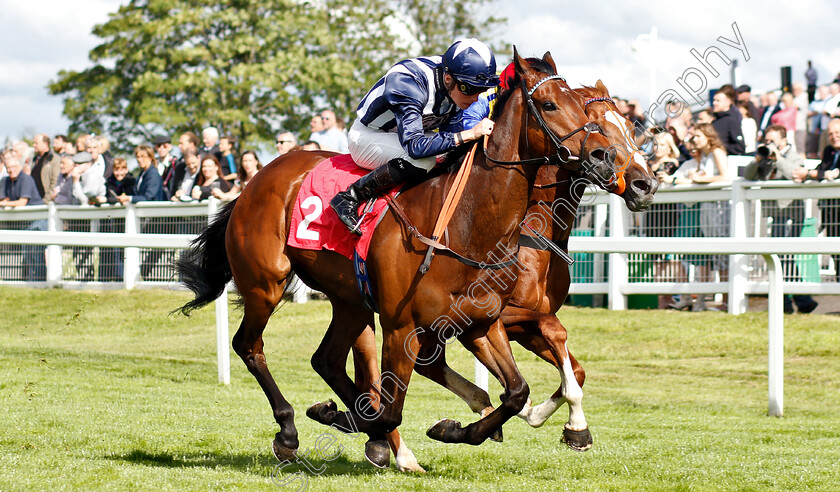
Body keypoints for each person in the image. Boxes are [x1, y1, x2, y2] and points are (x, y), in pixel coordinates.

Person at [330, 38, 499, 233]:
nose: (475, 97)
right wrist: (468, 134)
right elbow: (415, 147)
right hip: (368, 136)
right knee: (424, 161)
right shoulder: (409, 81)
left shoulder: (457, 82)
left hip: (404, 136)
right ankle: (351, 196)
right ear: (448, 79)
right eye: (469, 89)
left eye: (481, 90)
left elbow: (452, 144)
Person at [744, 125, 817, 314]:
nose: (768, 144)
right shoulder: (765, 157)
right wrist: (758, 159)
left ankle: (793, 301)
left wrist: (779, 158)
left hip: (792, 214)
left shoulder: (793, 156)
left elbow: (795, 172)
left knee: (784, 256)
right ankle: (800, 301)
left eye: (772, 141)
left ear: (783, 141)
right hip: (774, 215)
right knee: (781, 256)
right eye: (766, 141)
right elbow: (748, 175)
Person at [669, 124, 730, 311]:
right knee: (712, 254)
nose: (693, 140)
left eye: (697, 136)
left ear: (707, 135)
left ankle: (727, 302)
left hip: (719, 209)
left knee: (722, 256)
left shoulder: (717, 151)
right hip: (707, 210)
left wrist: (699, 179)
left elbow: (725, 177)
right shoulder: (703, 156)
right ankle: (712, 301)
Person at [793, 117, 840, 280]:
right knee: (836, 254)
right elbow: (822, 171)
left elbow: (832, 174)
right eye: (830, 134)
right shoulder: (829, 151)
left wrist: (811, 174)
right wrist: (806, 174)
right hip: (831, 213)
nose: (834, 136)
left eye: (837, 133)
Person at [0, 156, 47, 281]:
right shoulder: (5, 181)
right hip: (24, 223)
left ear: (19, 167)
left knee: (36, 254)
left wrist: (6, 204)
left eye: (13, 167)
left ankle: (40, 281)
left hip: (38, 220)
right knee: (27, 254)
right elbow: (2, 199)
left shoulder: (26, 179)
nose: (11, 170)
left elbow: (22, 202)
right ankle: (31, 281)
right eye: (8, 167)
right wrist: (5, 202)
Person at [712, 85, 745, 155]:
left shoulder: (732, 120)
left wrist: (719, 146)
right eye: (714, 100)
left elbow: (739, 148)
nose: (714, 103)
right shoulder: (714, 121)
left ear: (728, 101)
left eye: (718, 101)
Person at [30, 134, 62, 203]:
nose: (33, 145)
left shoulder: (55, 159)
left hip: (45, 202)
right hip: (32, 200)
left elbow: (55, 181)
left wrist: (46, 200)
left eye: (36, 143)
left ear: (45, 144)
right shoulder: (34, 160)